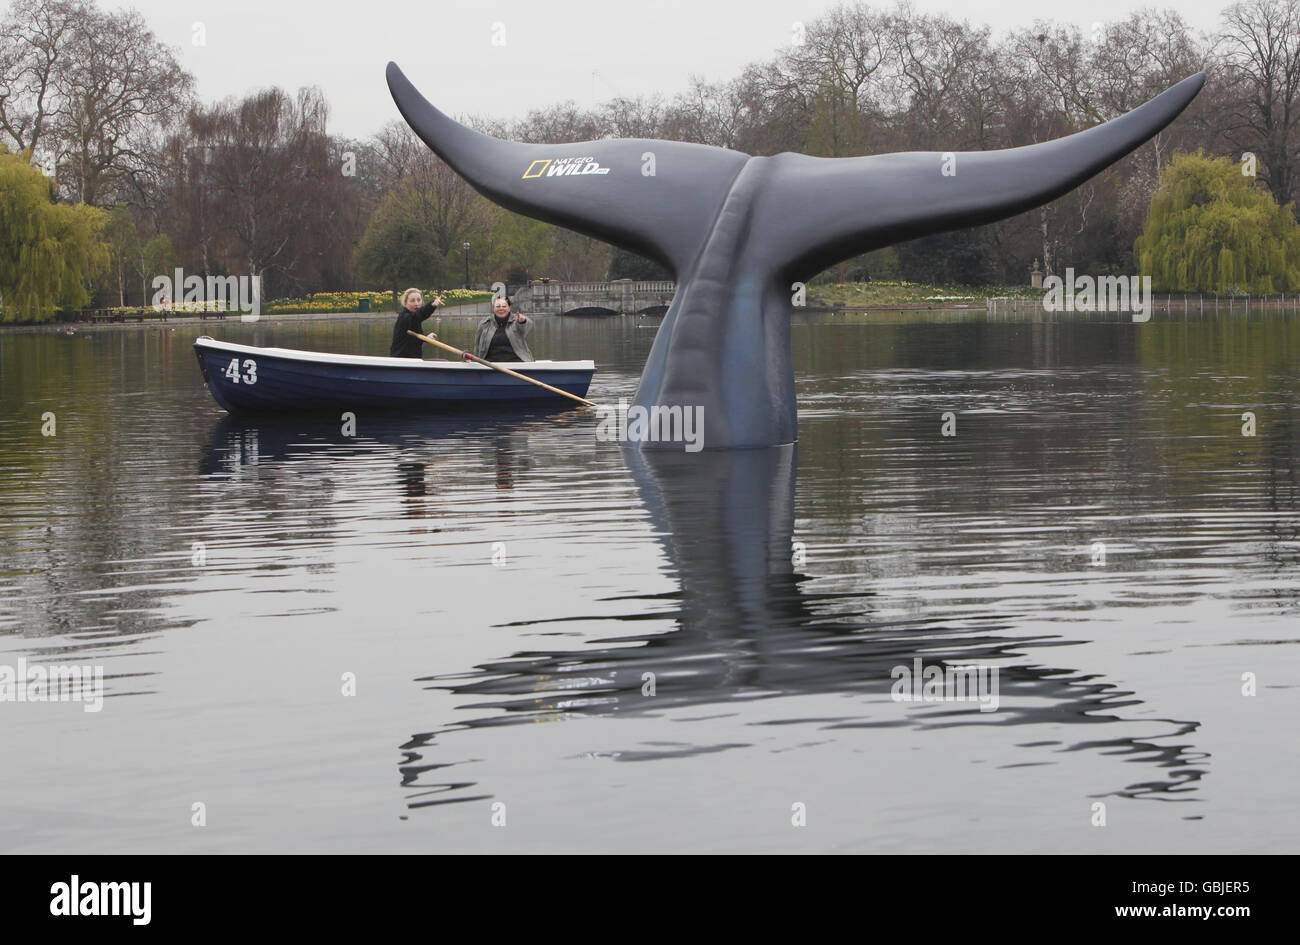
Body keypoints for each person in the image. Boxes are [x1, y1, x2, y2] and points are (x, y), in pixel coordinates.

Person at [473, 296, 534, 362]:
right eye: (498, 306)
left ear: (509, 308)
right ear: (493, 308)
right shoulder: (484, 323)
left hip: (516, 362)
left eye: (504, 306)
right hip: (490, 364)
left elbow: (527, 326)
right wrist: (475, 361)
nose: (501, 308)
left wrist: (523, 321)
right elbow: (477, 345)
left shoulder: (517, 321)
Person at [390, 288, 444, 358]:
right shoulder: (404, 318)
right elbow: (418, 316)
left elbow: (412, 339)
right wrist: (432, 305)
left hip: (414, 359)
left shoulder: (415, 319)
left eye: (419, 300)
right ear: (405, 303)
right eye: (412, 301)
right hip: (401, 360)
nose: (416, 303)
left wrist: (425, 338)